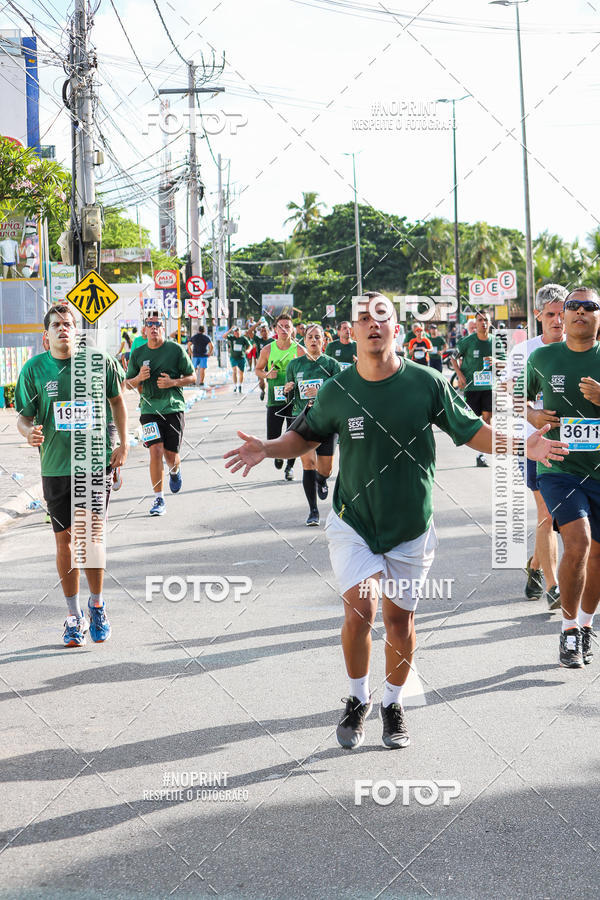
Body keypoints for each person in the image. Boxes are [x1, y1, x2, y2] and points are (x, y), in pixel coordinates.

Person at [225, 292, 566, 750]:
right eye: (362, 318)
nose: (371, 324)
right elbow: (304, 436)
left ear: (395, 329)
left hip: (411, 524)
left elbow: (472, 433)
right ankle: (356, 698)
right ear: (352, 331)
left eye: (380, 317)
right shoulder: (338, 387)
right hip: (354, 522)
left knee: (400, 622)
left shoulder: (426, 383)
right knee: (360, 612)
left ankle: (392, 703)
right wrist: (267, 448)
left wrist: (522, 445)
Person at [15, 304, 128, 647]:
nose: (64, 329)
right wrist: (27, 432)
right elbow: (23, 416)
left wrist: (122, 443)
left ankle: (97, 605)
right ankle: (73, 616)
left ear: (77, 330)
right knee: (64, 541)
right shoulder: (34, 369)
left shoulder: (99, 362)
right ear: (45, 335)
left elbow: (118, 401)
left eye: (69, 324)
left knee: (90, 539)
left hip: (93, 463)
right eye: (57, 325)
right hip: (55, 466)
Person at [526, 286, 600, 668]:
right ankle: (569, 630)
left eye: (590, 307)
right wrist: (534, 416)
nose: (579, 312)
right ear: (563, 315)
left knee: (598, 555)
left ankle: (586, 626)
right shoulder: (542, 357)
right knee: (579, 542)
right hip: (559, 467)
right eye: (573, 306)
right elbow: (520, 399)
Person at [502, 284, 566, 609]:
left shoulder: (581, 349)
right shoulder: (523, 352)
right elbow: (513, 397)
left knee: (562, 515)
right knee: (547, 513)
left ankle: (535, 566)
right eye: (551, 314)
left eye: (562, 313)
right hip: (533, 443)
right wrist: (534, 413)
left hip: (573, 445)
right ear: (539, 315)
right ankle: (554, 587)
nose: (559, 321)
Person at [126, 312, 196, 516]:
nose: (154, 327)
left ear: (163, 328)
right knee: (155, 450)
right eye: (150, 324)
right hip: (148, 410)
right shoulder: (137, 353)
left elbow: (192, 377)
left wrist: (173, 382)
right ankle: (159, 498)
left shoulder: (175, 349)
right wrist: (139, 377)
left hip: (173, 408)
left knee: (170, 455)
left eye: (158, 324)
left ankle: (175, 472)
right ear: (144, 330)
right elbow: (127, 384)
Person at [284, 323, 341, 525]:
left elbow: (339, 392)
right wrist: (288, 389)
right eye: (310, 337)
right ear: (304, 340)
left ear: (323, 341)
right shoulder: (294, 365)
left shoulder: (332, 364)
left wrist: (322, 393)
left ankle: (322, 479)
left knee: (325, 468)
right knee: (308, 463)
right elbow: (288, 396)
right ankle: (313, 511)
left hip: (327, 420)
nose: (314, 340)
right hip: (303, 419)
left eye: (318, 337)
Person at [451, 311, 504, 467]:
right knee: (473, 420)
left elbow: (505, 362)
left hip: (489, 386)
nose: (483, 323)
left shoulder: (496, 342)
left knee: (488, 419)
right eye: (480, 320)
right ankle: (478, 449)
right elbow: (453, 357)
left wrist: (496, 361)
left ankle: (483, 454)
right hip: (472, 387)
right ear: (475, 323)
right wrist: (459, 375)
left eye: (486, 320)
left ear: (490, 322)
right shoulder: (467, 341)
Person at [255, 313, 304, 481]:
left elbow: (308, 371)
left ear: (293, 330)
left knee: (294, 435)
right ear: (275, 329)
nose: (284, 329)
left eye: (287, 327)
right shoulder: (268, 349)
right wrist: (267, 374)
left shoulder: (299, 350)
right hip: (274, 400)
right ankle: (278, 455)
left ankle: (290, 467)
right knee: (273, 437)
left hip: (295, 401)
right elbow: (258, 370)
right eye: (281, 326)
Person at [224, 325, 252, 393]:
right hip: (233, 357)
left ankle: (240, 385)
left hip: (241, 357)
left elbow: (250, 346)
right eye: (235, 333)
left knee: (241, 373)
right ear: (234, 333)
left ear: (240, 332)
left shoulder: (243, 338)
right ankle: (235, 385)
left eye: (238, 332)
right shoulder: (232, 338)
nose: (237, 334)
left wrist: (248, 350)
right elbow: (224, 336)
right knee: (235, 370)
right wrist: (230, 329)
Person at [253, 324, 273, 401]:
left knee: (271, 381)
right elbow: (249, 332)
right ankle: (263, 390)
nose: (264, 332)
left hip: (270, 363)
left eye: (265, 331)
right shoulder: (258, 340)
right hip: (261, 364)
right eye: (262, 331)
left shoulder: (272, 341)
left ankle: (271, 397)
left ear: (268, 331)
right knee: (261, 381)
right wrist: (257, 324)